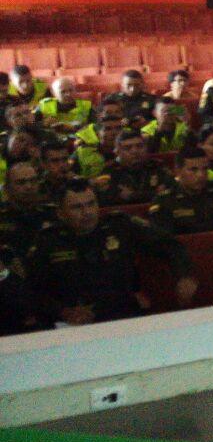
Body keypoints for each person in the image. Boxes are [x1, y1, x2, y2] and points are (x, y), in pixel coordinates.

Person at [28, 179, 195, 324]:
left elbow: (171, 245)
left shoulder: (120, 226)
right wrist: (62, 311)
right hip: (74, 322)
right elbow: (32, 290)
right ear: (61, 213)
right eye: (77, 207)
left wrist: (184, 276)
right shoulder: (48, 241)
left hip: (123, 314)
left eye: (91, 204)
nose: (87, 212)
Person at [149, 147, 213, 236]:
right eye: (193, 170)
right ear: (178, 171)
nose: (201, 175)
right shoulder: (165, 201)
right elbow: (164, 241)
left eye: (205, 169)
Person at [93, 128, 172, 206]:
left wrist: (132, 196)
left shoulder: (157, 165)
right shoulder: (109, 171)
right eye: (127, 148)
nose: (135, 151)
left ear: (146, 148)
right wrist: (154, 194)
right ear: (117, 152)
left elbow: (170, 191)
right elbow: (107, 199)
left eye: (139, 146)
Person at [0, 160, 53, 258]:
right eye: (21, 183)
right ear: (7, 188)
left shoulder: (51, 213)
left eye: (33, 181)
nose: (29, 187)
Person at [73, 114, 123, 179]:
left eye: (118, 128)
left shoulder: (130, 150)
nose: (114, 133)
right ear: (98, 134)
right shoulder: (83, 152)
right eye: (108, 129)